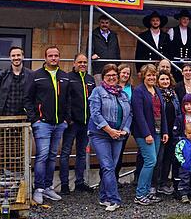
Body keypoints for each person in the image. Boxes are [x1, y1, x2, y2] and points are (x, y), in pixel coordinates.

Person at [25, 45, 71, 204]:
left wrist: (66, 120)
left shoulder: (64, 76)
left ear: (59, 57)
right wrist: (34, 119)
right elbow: (28, 99)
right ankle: (38, 189)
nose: (53, 58)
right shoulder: (36, 75)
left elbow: (69, 99)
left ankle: (48, 187)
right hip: (42, 123)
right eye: (50, 55)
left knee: (52, 156)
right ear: (45, 58)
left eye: (56, 55)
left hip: (59, 124)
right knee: (42, 156)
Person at [88, 64, 131, 211]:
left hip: (118, 135)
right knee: (107, 166)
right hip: (100, 135)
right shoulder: (97, 92)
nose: (112, 78)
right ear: (103, 77)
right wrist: (109, 130)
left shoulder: (123, 94)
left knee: (110, 166)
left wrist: (125, 130)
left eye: (114, 75)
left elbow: (129, 114)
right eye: (108, 76)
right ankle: (114, 199)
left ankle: (103, 197)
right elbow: (95, 114)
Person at [131, 64, 169, 206]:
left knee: (153, 162)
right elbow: (139, 115)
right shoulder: (138, 91)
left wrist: (165, 131)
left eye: (154, 75)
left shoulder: (157, 91)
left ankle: (147, 192)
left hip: (158, 132)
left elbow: (162, 112)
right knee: (150, 161)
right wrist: (146, 134)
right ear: (143, 77)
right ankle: (140, 194)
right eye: (149, 75)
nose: (152, 77)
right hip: (144, 133)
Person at [60, 54, 96, 195]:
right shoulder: (68, 78)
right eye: (79, 62)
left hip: (86, 122)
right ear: (74, 63)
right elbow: (64, 99)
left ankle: (79, 182)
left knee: (82, 154)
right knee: (65, 153)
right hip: (72, 123)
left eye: (85, 62)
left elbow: (94, 100)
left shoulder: (90, 79)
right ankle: (64, 184)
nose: (82, 64)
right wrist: (69, 118)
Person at [156, 69, 180, 196]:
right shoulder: (156, 94)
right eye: (162, 79)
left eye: (167, 79)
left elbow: (178, 112)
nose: (165, 82)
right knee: (159, 158)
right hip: (161, 130)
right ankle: (156, 183)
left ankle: (164, 182)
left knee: (168, 158)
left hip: (172, 130)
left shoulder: (173, 94)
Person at [0, 46, 31, 116]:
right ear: (10, 58)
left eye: (18, 55)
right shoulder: (2, 75)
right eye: (13, 56)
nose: (16, 58)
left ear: (23, 56)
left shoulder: (31, 75)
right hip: (5, 116)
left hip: (24, 117)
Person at [113, 64, 134, 180]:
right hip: (113, 125)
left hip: (125, 126)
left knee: (119, 153)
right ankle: (106, 179)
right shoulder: (112, 86)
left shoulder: (131, 88)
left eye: (128, 73)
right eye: (123, 72)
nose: (125, 75)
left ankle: (115, 178)